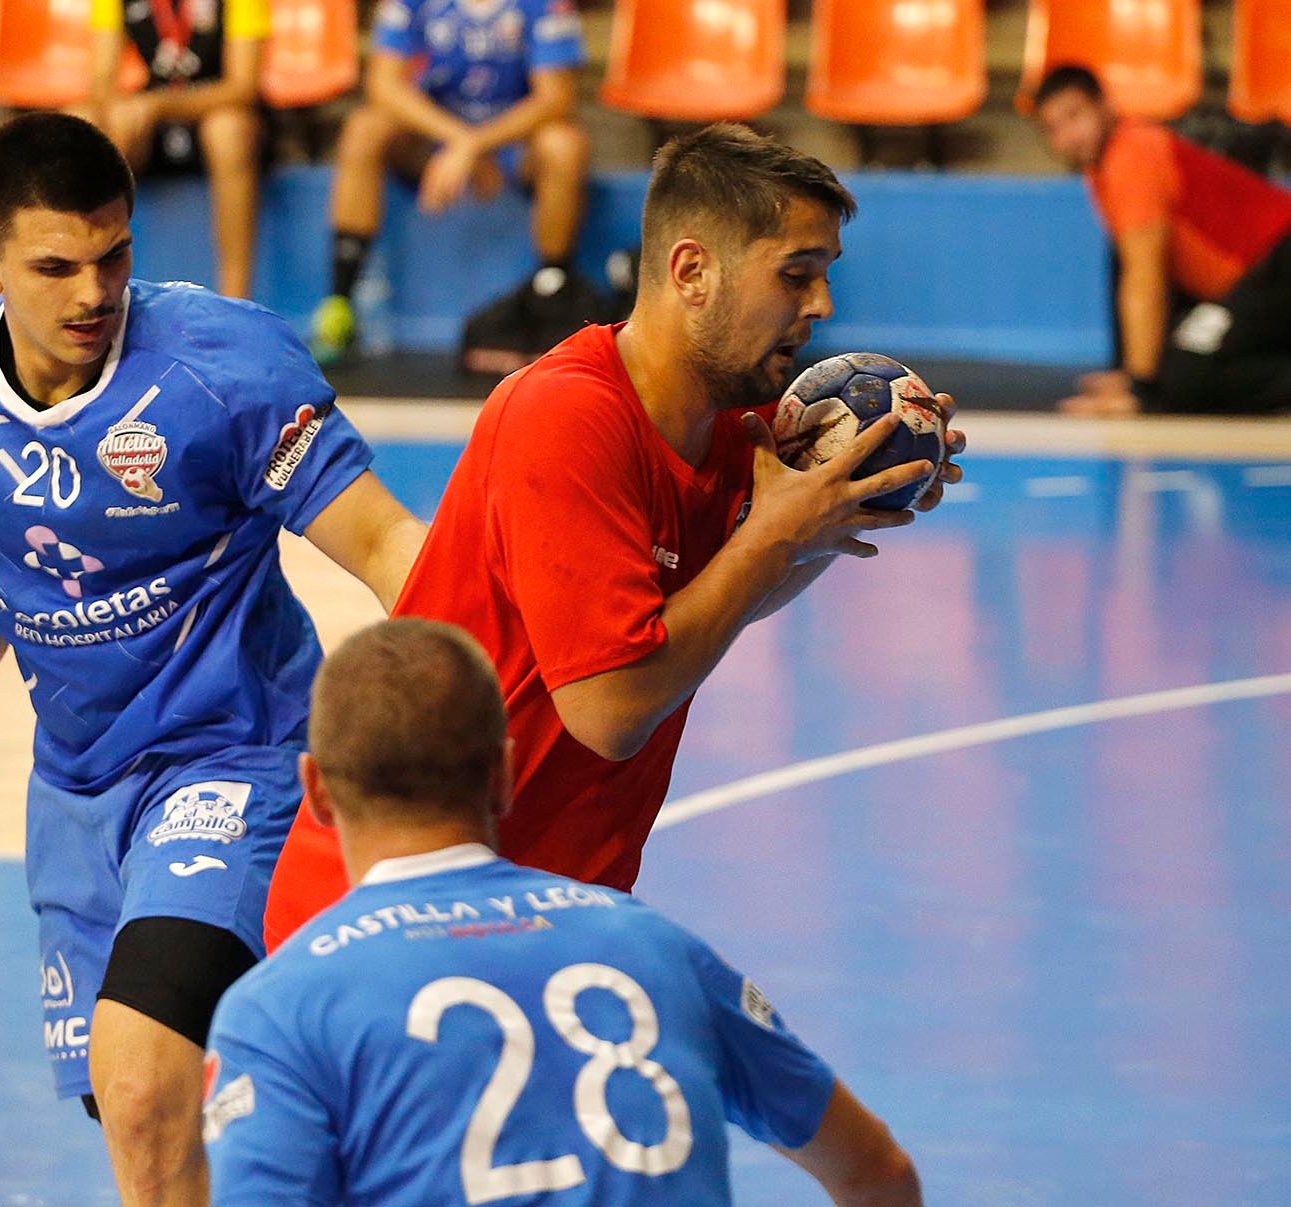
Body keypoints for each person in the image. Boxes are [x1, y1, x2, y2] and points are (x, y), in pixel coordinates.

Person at [0, 111, 427, 1207]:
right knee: (144, 1113)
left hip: (232, 759)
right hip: (74, 792)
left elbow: (390, 541)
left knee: (146, 1080)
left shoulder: (222, 366)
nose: (93, 293)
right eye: (56, 266)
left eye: (114, 258)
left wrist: (462, 698)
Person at [266, 122, 967, 946]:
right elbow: (611, 703)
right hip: (396, 924)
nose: (822, 305)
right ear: (692, 271)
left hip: (540, 911)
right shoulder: (566, 415)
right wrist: (771, 538)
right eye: (796, 274)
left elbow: (713, 601)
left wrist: (827, 515)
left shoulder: (730, 425)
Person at [206, 617, 923, 1207]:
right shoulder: (658, 948)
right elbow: (878, 1173)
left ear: (317, 791)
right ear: (504, 773)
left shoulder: (278, 1009)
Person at [309, 0, 598, 370]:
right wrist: (458, 140)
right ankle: (340, 305)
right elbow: (383, 84)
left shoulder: (545, 5)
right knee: (364, 130)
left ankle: (552, 294)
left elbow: (556, 97)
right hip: (431, 141)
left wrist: (476, 144)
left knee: (565, 144)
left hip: (513, 143)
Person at [1033, 65, 1291, 417]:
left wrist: (1142, 390)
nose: (1068, 136)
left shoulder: (1131, 154)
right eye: (1053, 128)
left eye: (1074, 115)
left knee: (1183, 376)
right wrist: (1131, 372)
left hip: (1277, 262)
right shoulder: (1105, 166)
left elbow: (1144, 277)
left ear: (1104, 105)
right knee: (1173, 363)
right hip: (1256, 280)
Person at [83, 0, 269, 299]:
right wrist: (125, 113)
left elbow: (243, 87)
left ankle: (235, 302)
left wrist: (159, 106)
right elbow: (101, 85)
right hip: (152, 118)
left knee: (228, 131)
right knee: (88, 122)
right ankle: (95, 294)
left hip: (215, 111)